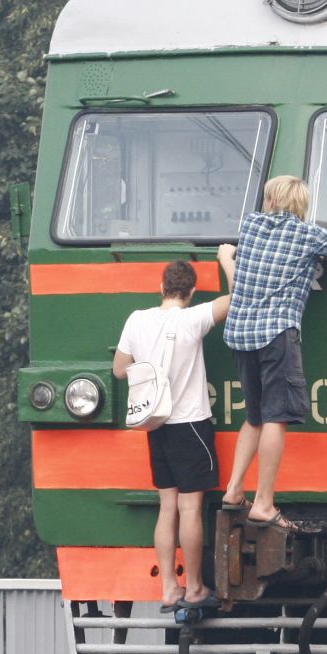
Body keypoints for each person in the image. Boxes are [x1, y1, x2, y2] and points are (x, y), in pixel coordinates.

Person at [218, 176, 327, 530]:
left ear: (270, 199)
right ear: (301, 206)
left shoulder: (251, 226)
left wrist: (226, 256)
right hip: (276, 335)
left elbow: (238, 279)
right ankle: (263, 502)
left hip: (241, 334)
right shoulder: (307, 234)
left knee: (254, 416)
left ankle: (233, 489)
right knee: (276, 417)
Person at [111, 261, 230, 610]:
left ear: (162, 287)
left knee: (167, 507)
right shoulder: (192, 319)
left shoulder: (137, 319)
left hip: (155, 422)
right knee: (190, 507)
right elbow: (237, 298)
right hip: (190, 424)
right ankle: (194, 587)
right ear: (191, 291)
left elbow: (119, 370)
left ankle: (168, 587)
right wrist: (227, 263)